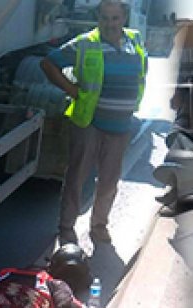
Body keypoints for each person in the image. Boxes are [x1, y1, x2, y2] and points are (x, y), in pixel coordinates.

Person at [40, 0, 149, 247]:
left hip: (121, 125)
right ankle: (66, 227)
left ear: (124, 18)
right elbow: (48, 63)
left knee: (110, 181)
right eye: (104, 18)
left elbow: (141, 74)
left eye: (115, 18)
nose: (110, 24)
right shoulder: (86, 42)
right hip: (90, 122)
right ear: (97, 19)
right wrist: (74, 91)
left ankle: (99, 226)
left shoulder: (135, 41)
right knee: (77, 177)